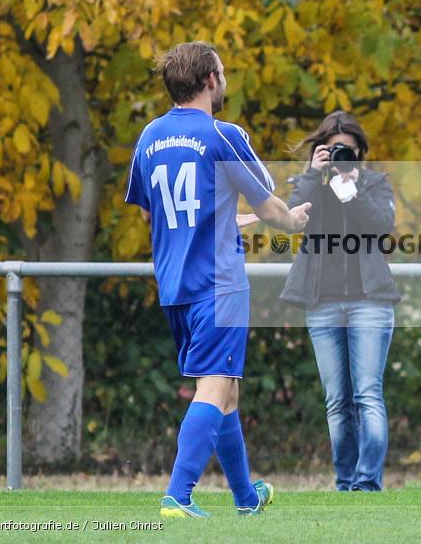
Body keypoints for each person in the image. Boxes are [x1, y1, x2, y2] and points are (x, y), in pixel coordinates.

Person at [125, 41, 311, 518]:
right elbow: (269, 204)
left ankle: (246, 498)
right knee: (213, 386)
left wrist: (224, 220)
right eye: (222, 73)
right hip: (218, 282)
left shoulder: (149, 136)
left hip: (174, 284)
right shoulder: (221, 134)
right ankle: (178, 494)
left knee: (227, 389)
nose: (224, 80)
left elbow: (151, 212)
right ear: (210, 80)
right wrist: (292, 222)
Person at [280, 111, 400, 491]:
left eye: (347, 150)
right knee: (336, 401)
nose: (341, 156)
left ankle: (367, 483)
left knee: (368, 394)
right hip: (323, 302)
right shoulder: (311, 183)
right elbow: (291, 218)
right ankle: (344, 482)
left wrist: (353, 190)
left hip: (370, 300)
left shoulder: (376, 184)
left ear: (360, 152)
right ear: (321, 151)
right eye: (333, 150)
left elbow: (381, 226)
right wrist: (313, 174)